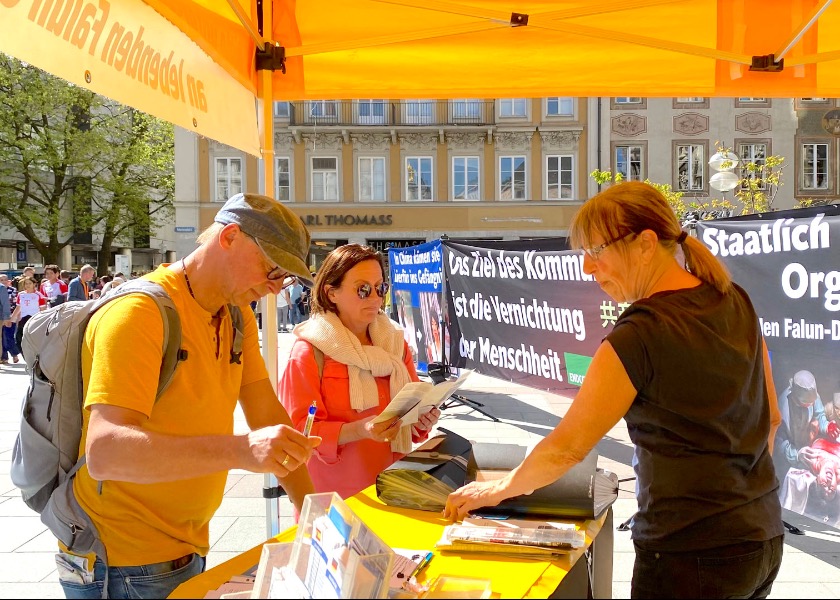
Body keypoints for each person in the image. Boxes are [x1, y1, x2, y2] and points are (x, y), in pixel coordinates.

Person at [444, 181, 784, 599]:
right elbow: (772, 418)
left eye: (597, 251)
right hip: (761, 536)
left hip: (689, 553)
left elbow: (566, 449)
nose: (589, 268)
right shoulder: (735, 299)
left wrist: (496, 489)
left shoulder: (640, 333)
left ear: (644, 243)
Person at [58, 192, 321, 599]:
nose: (273, 290)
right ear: (230, 236)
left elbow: (266, 412)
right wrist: (241, 451)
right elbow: (106, 452)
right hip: (121, 562)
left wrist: (314, 513)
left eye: (283, 279)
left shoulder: (235, 315)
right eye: (272, 270)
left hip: (183, 548)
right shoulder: (139, 313)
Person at [278, 244, 441, 500]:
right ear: (331, 293)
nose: (375, 298)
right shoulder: (309, 351)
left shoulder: (395, 343)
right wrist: (361, 430)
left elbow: (409, 415)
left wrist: (422, 420)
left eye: (381, 288)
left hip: (395, 488)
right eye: (363, 289)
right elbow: (300, 432)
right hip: (333, 498)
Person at [775, 369, 836, 473]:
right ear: (796, 398)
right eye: (807, 403)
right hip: (788, 457)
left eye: (813, 402)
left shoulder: (812, 396)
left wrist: (827, 426)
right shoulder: (782, 408)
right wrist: (797, 455)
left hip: (807, 446)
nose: (812, 405)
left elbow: (819, 415)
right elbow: (779, 443)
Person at [0, 274, 19, 364]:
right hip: (3, 315)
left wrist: (10, 317)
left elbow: (10, 304)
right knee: (3, 338)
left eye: (5, 279)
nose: (3, 281)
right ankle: (4, 357)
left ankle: (13, 355)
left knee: (8, 336)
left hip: (9, 316)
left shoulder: (11, 290)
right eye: (1, 279)